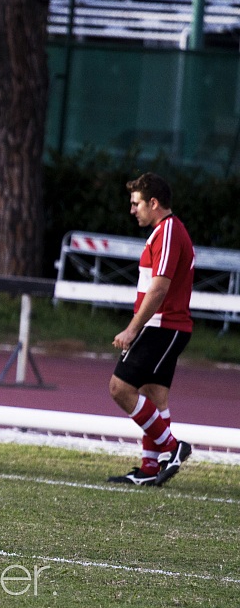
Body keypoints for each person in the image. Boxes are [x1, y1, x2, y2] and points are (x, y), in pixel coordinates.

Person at [107, 172, 195, 486]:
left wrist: (132, 329)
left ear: (153, 203)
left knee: (120, 388)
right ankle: (149, 468)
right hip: (163, 325)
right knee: (153, 396)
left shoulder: (169, 230)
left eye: (137, 203)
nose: (133, 210)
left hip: (163, 326)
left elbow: (159, 288)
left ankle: (173, 448)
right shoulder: (162, 231)